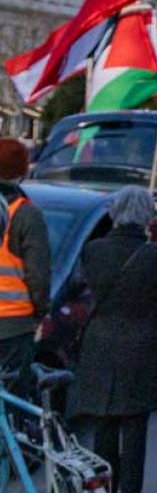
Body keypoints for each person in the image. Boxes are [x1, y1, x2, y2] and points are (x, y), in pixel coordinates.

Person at [75, 186, 157, 493]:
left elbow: (85, 287)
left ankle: (105, 491)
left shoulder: (93, 250)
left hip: (100, 342)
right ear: (147, 215)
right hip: (142, 344)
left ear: (114, 212)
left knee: (104, 421)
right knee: (135, 422)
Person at [0, 138, 49, 403]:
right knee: (12, 402)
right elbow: (38, 274)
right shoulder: (25, 214)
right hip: (13, 325)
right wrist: (41, 313)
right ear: (23, 170)